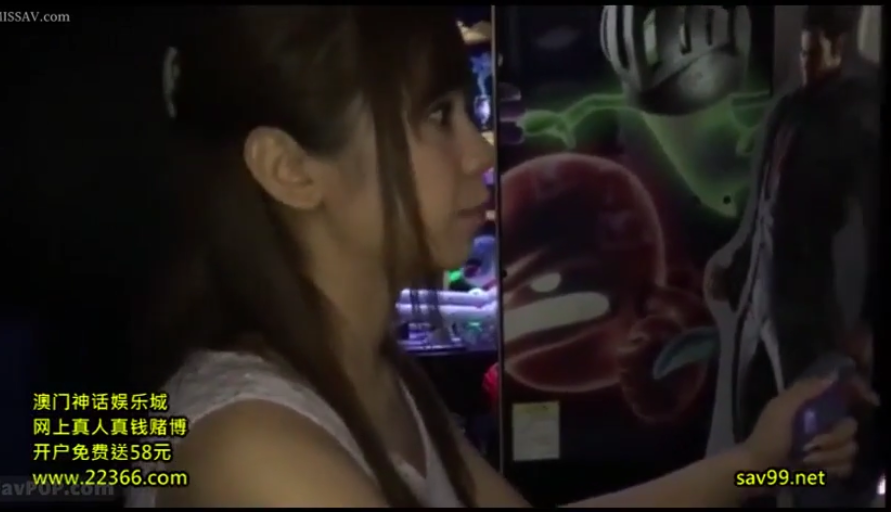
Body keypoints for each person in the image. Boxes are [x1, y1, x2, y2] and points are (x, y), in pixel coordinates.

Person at [126, 7, 860, 508]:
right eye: (436, 117)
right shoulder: (255, 454)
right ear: (289, 169)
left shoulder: (374, 376)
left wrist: (762, 463)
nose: (480, 154)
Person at [704, 4, 879, 507]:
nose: (806, 63)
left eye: (813, 52)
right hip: (758, 293)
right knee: (751, 429)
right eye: (801, 53)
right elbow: (766, 209)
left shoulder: (855, 114)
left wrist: (868, 321)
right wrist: (736, 269)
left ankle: (805, 496)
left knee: (813, 446)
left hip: (802, 301)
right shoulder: (788, 110)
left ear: (838, 46)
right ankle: (757, 496)